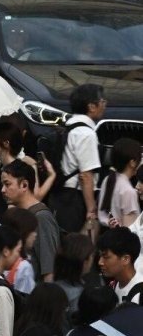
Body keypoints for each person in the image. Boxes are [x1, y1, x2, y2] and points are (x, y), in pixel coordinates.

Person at [1, 159, 60, 283]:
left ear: (24, 185)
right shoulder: (17, 215)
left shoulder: (42, 217)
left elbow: (49, 269)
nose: (2, 190)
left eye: (7, 184)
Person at [60, 83, 106, 239]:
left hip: (62, 195)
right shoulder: (86, 134)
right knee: (81, 247)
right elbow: (86, 176)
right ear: (92, 106)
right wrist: (91, 209)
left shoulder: (69, 127)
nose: (104, 104)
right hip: (76, 199)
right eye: (102, 101)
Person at [101, 138, 141, 230]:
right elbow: (129, 229)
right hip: (122, 240)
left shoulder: (107, 180)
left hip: (107, 235)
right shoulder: (128, 191)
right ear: (132, 162)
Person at [98, 227, 143, 304]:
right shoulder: (113, 285)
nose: (100, 262)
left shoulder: (140, 296)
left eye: (106, 257)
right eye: (100, 256)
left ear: (125, 259)